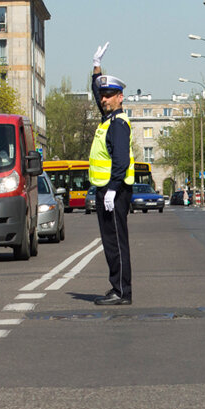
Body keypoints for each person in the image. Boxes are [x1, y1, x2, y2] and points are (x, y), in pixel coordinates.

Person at [89, 42, 134, 306]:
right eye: (102, 94)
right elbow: (96, 93)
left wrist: (114, 188)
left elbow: (121, 159)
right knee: (110, 242)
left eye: (109, 94)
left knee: (116, 242)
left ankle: (122, 291)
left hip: (113, 191)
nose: (104, 98)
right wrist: (96, 66)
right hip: (106, 189)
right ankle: (116, 287)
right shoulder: (108, 119)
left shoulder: (118, 124)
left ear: (120, 97)